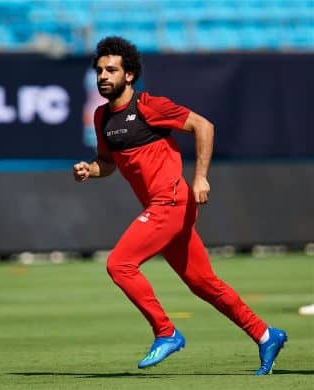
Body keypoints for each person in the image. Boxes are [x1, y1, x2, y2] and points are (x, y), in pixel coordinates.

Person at [72, 36, 287, 375]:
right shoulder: (102, 118)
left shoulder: (148, 106)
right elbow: (107, 162)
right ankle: (265, 334)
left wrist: (200, 177)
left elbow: (204, 126)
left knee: (120, 264)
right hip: (166, 209)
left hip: (171, 201)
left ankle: (166, 331)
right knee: (204, 283)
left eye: (111, 70)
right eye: (99, 70)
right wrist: (90, 169)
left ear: (129, 75)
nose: (103, 76)